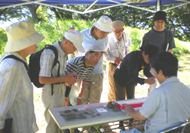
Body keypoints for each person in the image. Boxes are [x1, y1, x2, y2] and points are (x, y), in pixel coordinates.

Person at [124, 52, 190, 133]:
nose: (154, 75)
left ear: (160, 72)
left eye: (154, 71)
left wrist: (130, 111)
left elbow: (141, 116)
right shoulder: (187, 91)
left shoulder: (158, 93)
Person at [0, 20, 44, 133]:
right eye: (33, 40)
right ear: (23, 44)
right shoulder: (13, 67)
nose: (37, 44)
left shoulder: (16, 62)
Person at [39, 30, 85, 133]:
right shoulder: (49, 53)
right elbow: (42, 79)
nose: (74, 50)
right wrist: (64, 79)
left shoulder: (62, 53)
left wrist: (68, 75)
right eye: (74, 47)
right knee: (52, 126)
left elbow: (59, 72)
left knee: (60, 125)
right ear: (67, 42)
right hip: (51, 94)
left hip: (59, 92)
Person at [77, 16, 112, 104]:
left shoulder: (106, 38)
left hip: (97, 73)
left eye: (107, 32)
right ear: (96, 29)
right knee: (82, 100)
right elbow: (76, 50)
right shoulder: (82, 34)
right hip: (83, 72)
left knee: (95, 101)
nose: (105, 35)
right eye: (103, 32)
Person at [140, 11, 176, 93]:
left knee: (165, 87)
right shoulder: (147, 35)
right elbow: (142, 51)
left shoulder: (168, 34)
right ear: (154, 22)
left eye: (162, 22)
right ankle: (150, 103)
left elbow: (170, 49)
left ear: (164, 23)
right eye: (158, 22)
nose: (159, 24)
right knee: (152, 87)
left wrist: (167, 59)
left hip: (164, 64)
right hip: (151, 65)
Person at [104, 20, 131, 102]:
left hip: (123, 65)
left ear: (123, 29)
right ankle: (112, 105)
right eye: (116, 32)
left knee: (123, 86)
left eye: (120, 31)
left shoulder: (125, 35)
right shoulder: (107, 39)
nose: (118, 34)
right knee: (112, 88)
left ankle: (123, 105)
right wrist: (114, 60)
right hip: (112, 65)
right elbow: (104, 55)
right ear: (112, 30)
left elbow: (127, 49)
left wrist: (126, 59)